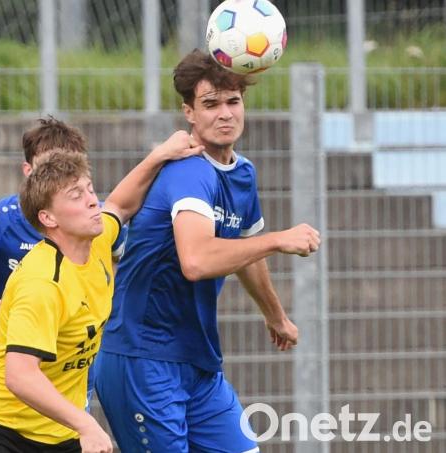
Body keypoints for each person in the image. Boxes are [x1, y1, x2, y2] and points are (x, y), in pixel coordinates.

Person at [94, 49, 322, 452]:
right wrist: (278, 238)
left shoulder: (242, 173)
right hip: (143, 359)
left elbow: (245, 255)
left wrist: (276, 315)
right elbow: (196, 261)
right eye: (210, 104)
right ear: (189, 113)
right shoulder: (189, 171)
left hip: (197, 362)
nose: (225, 114)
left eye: (233, 102)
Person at [0, 133, 204, 453]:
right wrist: (86, 423)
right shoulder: (41, 283)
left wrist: (160, 155)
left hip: (58, 434)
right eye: (76, 195)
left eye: (89, 189)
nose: (91, 201)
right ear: (48, 218)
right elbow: (19, 376)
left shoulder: (96, 242)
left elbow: (120, 204)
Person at [0, 117, 124, 384]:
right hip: (6, 372)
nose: (60, 176)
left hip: (70, 371)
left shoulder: (95, 220)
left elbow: (114, 265)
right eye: (49, 168)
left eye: (70, 170)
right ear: (28, 171)